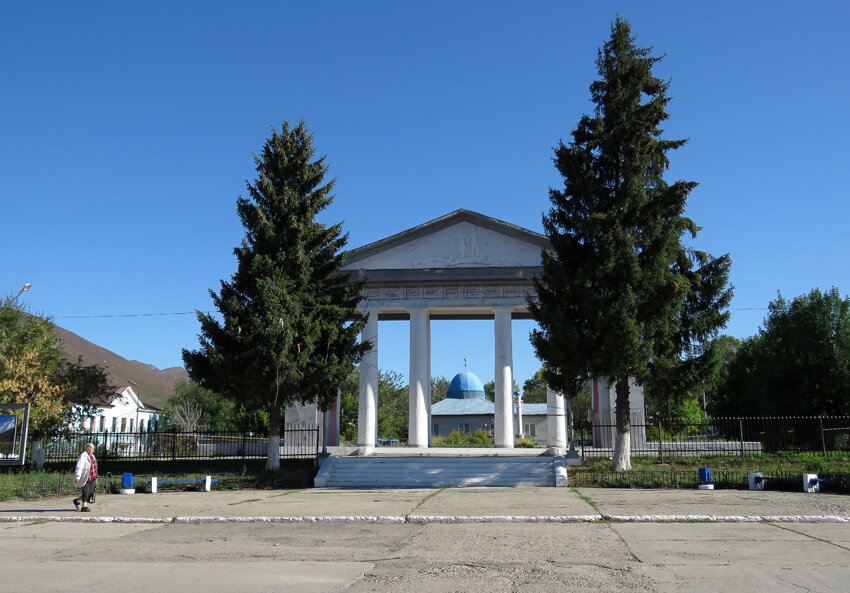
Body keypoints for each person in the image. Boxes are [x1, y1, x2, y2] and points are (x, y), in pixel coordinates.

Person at [72, 443, 98, 512]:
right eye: (92, 449)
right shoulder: (83, 456)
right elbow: (79, 467)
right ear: (88, 449)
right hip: (85, 477)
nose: (93, 450)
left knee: (91, 492)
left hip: (93, 477)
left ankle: (76, 500)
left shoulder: (92, 456)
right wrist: (78, 476)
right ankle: (84, 506)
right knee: (86, 492)